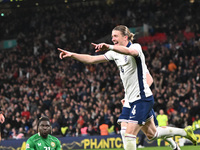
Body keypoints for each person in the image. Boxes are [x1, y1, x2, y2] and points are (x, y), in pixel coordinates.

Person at [58, 25, 197, 150]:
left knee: (128, 134)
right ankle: (184, 132)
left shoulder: (136, 47)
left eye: (115, 36)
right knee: (152, 134)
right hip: (131, 100)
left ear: (125, 37)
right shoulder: (115, 53)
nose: (112, 39)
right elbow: (91, 59)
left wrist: (110, 47)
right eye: (111, 37)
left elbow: (131, 53)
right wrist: (72, 55)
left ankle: (176, 141)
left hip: (142, 98)